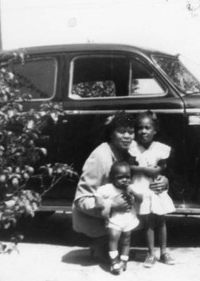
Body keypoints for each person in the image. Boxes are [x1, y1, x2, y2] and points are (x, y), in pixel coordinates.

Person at [71, 111, 168, 267]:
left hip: (117, 214)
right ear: (111, 133)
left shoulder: (129, 153)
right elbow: (80, 200)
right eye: (121, 131)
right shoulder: (101, 156)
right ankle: (101, 245)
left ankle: (117, 247)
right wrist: (112, 205)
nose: (127, 136)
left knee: (145, 210)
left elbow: (148, 173)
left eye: (130, 132)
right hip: (94, 217)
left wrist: (164, 180)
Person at [129, 111, 176, 268]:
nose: (143, 131)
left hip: (155, 188)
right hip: (141, 188)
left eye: (147, 128)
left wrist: (160, 174)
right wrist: (144, 169)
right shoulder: (133, 148)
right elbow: (129, 166)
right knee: (148, 222)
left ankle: (164, 252)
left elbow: (163, 169)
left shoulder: (160, 149)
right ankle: (150, 253)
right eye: (140, 128)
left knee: (161, 221)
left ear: (155, 130)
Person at [95, 161, 145, 274]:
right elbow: (98, 200)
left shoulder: (131, 188)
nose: (125, 180)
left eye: (127, 177)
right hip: (114, 219)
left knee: (126, 240)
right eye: (120, 177)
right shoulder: (108, 188)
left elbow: (140, 200)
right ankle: (114, 261)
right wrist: (109, 203)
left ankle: (124, 260)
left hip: (128, 218)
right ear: (112, 178)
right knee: (113, 237)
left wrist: (133, 193)